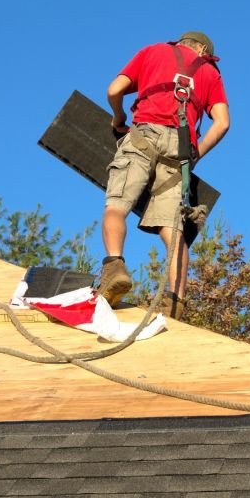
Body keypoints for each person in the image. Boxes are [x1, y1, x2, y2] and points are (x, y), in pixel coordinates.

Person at [99, 31, 230, 320]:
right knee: (174, 232)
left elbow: (113, 89)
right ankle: (175, 302)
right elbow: (222, 124)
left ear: (181, 43)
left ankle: (114, 267)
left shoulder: (153, 51)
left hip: (143, 135)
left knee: (116, 206)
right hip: (179, 151)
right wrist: (195, 155)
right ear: (203, 50)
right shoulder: (210, 72)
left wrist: (117, 116)